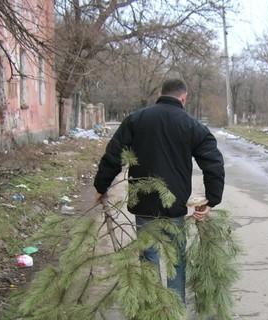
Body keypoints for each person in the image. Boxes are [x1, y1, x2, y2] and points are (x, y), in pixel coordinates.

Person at [93, 78, 225, 303]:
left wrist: (101, 186)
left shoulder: (136, 119)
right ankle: (174, 310)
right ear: (184, 98)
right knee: (175, 261)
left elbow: (113, 155)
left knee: (148, 258)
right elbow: (213, 163)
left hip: (143, 205)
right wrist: (211, 200)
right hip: (174, 208)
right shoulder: (191, 125)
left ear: (160, 94)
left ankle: (152, 309)